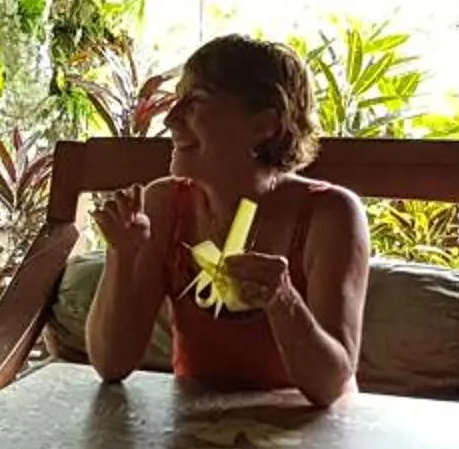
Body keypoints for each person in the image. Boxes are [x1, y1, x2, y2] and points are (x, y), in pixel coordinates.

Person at [85, 36, 371, 408]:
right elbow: (111, 364)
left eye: (197, 102)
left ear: (265, 124)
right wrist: (122, 256)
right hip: (200, 434)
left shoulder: (329, 215)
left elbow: (331, 385)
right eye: (177, 101)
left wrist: (282, 299)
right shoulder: (165, 206)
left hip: (309, 434)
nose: (170, 119)